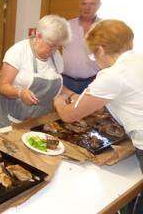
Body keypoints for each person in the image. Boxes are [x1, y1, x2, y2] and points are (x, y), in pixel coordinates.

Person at [54, 19, 143, 214]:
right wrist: (81, 98)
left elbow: (69, 115)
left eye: (94, 55)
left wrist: (59, 100)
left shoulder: (113, 74)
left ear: (101, 50)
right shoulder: (137, 61)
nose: (96, 60)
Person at [0, 15, 73, 129]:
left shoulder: (56, 57)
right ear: (39, 35)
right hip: (11, 118)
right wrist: (20, 93)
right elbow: (3, 86)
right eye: (51, 45)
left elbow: (56, 86)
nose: (54, 51)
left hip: (38, 119)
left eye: (58, 47)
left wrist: (72, 95)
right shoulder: (19, 51)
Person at [62, 0, 101, 94]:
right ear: (80, 5)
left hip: (93, 82)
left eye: (92, 4)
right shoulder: (66, 25)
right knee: (63, 109)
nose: (87, 7)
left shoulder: (104, 27)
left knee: (91, 111)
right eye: (84, 3)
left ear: (99, 5)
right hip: (66, 82)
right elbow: (53, 46)